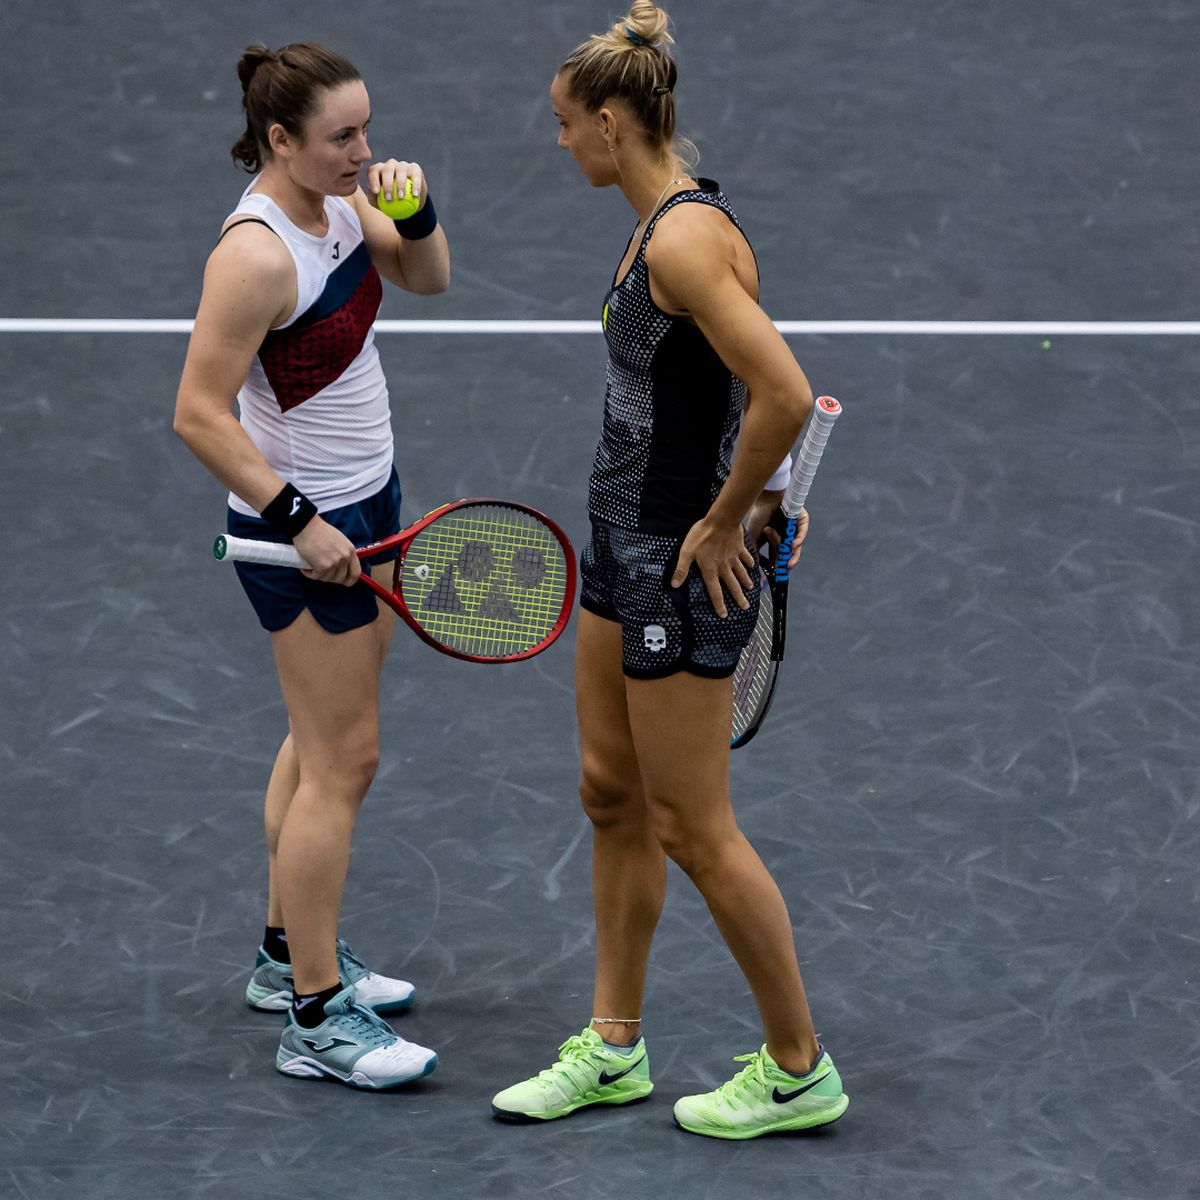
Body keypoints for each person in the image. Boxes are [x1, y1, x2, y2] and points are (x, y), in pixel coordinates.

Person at [490, 2, 849, 1139]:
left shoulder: (686, 241)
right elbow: (727, 387)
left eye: (564, 127)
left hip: (677, 562)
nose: (559, 146)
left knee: (696, 826)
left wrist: (730, 517)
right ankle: (612, 1046)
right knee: (609, 793)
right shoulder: (659, 225)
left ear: (609, 120)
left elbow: (783, 389)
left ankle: (799, 1068)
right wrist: (761, 501)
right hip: (619, 545)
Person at [173, 42, 450, 1090]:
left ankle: (286, 958)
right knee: (347, 761)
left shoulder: (341, 204)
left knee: (318, 736)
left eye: (367, 129)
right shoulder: (253, 255)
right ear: (279, 140)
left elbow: (427, 278)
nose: (362, 151)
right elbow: (197, 412)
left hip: (368, 504)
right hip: (306, 534)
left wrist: (411, 210)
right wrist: (301, 522)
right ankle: (317, 1020)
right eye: (341, 137)